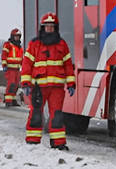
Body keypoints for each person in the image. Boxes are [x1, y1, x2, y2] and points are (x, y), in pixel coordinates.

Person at [23, 12, 76, 150]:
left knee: (57, 115)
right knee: (36, 113)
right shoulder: (34, 44)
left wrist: (71, 83)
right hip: (38, 87)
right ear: (43, 27)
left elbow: (68, 65)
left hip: (57, 88)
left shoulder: (62, 44)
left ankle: (58, 143)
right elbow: (27, 64)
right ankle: (32, 142)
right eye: (47, 26)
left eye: (52, 27)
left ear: (56, 28)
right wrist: (25, 83)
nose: (49, 29)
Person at [0, 28, 25, 109]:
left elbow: (21, 58)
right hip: (10, 69)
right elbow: (4, 55)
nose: (17, 38)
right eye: (16, 36)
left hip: (17, 69)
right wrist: (4, 65)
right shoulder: (8, 45)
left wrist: (24, 67)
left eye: (18, 36)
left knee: (16, 85)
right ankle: (8, 101)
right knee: (11, 84)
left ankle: (13, 100)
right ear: (12, 36)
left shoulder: (20, 47)